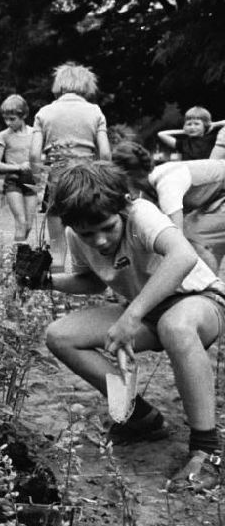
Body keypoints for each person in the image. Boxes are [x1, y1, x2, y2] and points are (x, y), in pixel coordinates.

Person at [43, 162, 225, 491]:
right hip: (145, 312)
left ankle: (206, 451)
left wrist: (131, 316)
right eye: (87, 233)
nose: (98, 240)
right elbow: (92, 281)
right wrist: (45, 281)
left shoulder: (140, 212)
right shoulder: (77, 234)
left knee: (175, 326)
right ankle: (139, 416)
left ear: (122, 207)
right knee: (60, 335)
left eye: (107, 227)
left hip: (199, 301)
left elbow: (182, 256)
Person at [29, 62, 111, 269]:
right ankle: (84, 290)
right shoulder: (95, 111)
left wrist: (39, 181)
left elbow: (33, 155)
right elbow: (106, 153)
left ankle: (57, 291)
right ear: (86, 85)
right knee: (88, 238)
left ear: (60, 84)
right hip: (87, 181)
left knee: (57, 245)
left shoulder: (44, 112)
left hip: (56, 181)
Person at [111, 141, 225, 273]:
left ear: (126, 175)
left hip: (220, 194)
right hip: (213, 198)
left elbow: (178, 240)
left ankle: (210, 289)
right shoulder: (148, 189)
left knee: (193, 240)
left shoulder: (167, 185)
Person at [0, 94, 39, 243]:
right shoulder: (3, 136)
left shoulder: (35, 134)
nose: (8, 122)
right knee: (21, 222)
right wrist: (18, 167)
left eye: (12, 119)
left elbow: (40, 157)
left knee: (29, 225)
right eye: (5, 119)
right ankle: (18, 261)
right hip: (13, 181)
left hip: (31, 181)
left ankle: (18, 255)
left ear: (23, 115)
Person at [156, 106, 224, 161]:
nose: (192, 127)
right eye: (189, 124)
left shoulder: (212, 139)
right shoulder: (183, 144)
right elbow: (161, 134)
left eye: (196, 124)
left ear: (205, 125)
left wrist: (214, 124)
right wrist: (184, 131)